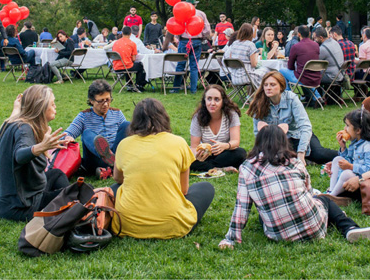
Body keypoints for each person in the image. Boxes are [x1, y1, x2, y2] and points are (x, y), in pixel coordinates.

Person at [218, 125, 370, 249]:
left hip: (278, 235)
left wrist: (231, 239)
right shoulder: (295, 162)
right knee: (324, 201)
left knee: (264, 214)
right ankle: (349, 228)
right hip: (313, 229)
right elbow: (308, 193)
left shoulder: (247, 168)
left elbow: (242, 208)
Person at [112, 98, 215, 238]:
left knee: (114, 188)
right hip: (173, 224)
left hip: (126, 224)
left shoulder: (124, 144)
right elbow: (183, 190)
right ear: (164, 117)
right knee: (206, 188)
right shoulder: (178, 142)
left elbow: (118, 179)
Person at [0, 85, 69, 221]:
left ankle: (65, 201)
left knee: (56, 174)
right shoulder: (25, 129)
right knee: (78, 193)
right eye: (52, 103)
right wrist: (42, 146)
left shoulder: (13, 123)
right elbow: (19, 155)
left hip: (4, 204)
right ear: (41, 107)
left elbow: (14, 118)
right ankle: (68, 204)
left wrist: (16, 108)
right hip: (22, 207)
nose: (55, 107)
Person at [247, 71, 336, 165]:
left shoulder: (291, 99)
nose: (268, 88)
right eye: (266, 85)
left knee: (319, 155)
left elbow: (305, 126)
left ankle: (346, 157)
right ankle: (301, 158)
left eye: (272, 85)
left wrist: (301, 152)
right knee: (278, 159)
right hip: (277, 142)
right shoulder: (259, 102)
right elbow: (258, 133)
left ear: (281, 86)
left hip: (298, 136)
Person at [63, 80, 130, 179]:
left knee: (126, 126)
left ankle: (109, 168)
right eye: (101, 101)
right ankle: (113, 166)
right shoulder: (84, 116)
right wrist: (68, 137)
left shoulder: (117, 113)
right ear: (91, 100)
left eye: (108, 99)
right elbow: (67, 134)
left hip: (116, 155)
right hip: (95, 160)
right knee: (87, 133)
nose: (106, 104)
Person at [323, 108, 370, 203]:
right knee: (337, 159)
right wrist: (343, 148)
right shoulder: (354, 143)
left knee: (346, 173)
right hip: (353, 174)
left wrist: (351, 167)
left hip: (363, 179)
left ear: (358, 130)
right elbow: (349, 160)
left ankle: (332, 197)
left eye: (347, 126)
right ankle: (331, 191)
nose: (344, 129)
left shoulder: (368, 147)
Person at [190, 85, 247, 172]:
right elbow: (194, 146)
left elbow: (235, 142)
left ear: (222, 101)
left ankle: (209, 167)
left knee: (241, 153)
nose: (212, 103)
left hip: (224, 152)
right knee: (187, 159)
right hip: (206, 155)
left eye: (216, 99)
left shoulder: (231, 115)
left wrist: (225, 146)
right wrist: (198, 154)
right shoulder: (197, 117)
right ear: (204, 100)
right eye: (209, 99)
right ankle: (220, 168)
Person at [171, 0, 211, 94]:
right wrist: (204, 37)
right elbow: (207, 29)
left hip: (184, 41)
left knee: (180, 64)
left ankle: (176, 88)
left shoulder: (181, 13)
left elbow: (177, 27)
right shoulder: (201, 14)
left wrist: (178, 37)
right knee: (194, 66)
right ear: (195, 4)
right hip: (197, 41)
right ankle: (193, 89)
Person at [280, 25, 322, 104]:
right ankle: (318, 97)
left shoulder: (296, 46)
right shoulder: (316, 45)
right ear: (309, 33)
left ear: (298, 34)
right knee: (307, 74)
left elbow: (290, 66)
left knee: (281, 71)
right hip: (316, 77)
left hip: (303, 78)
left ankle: (288, 96)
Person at [223, 23, 267, 88]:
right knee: (266, 71)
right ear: (251, 34)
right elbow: (254, 64)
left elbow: (231, 58)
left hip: (234, 78)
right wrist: (256, 54)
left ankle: (250, 95)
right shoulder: (250, 45)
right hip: (247, 77)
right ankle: (261, 94)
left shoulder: (234, 43)